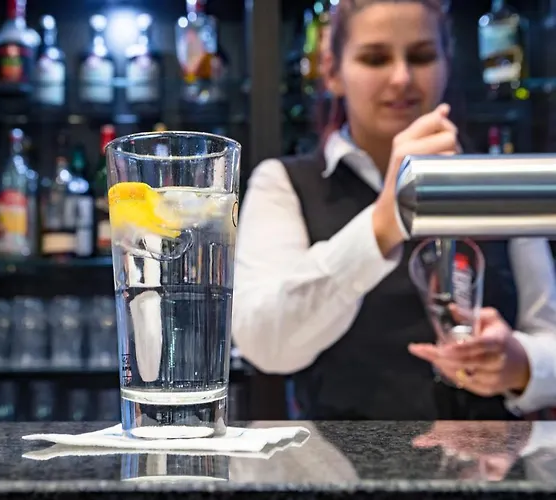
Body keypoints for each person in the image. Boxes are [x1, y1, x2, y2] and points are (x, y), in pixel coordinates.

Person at [232, 0, 556, 420]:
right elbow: (263, 344)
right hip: (343, 460)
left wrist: (520, 364)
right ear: (333, 71)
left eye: (421, 57)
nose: (402, 77)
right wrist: (382, 223)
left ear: (447, 64)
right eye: (375, 59)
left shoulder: (494, 181)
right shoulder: (283, 183)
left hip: (494, 458)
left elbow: (548, 336)